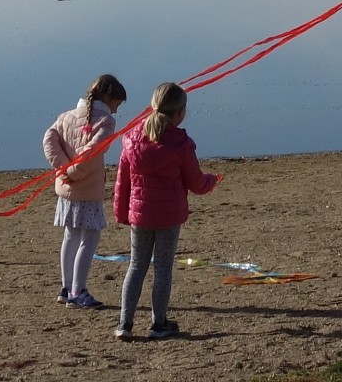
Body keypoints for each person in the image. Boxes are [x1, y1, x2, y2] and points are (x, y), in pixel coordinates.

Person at [113, 82, 220, 340]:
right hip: (168, 217)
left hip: (140, 215)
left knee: (136, 266)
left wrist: (121, 212)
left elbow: (122, 181)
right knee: (162, 268)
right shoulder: (181, 144)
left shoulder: (131, 139)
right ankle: (158, 323)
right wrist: (211, 181)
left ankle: (124, 324)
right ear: (180, 113)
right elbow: (195, 182)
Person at [42, 73, 127, 310]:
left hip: (68, 188)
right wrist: (72, 171)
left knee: (71, 235)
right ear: (108, 96)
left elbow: (50, 139)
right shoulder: (105, 121)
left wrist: (64, 169)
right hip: (85, 189)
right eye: (116, 104)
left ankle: (66, 287)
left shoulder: (66, 116)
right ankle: (77, 291)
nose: (116, 111)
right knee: (89, 237)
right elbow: (91, 152)